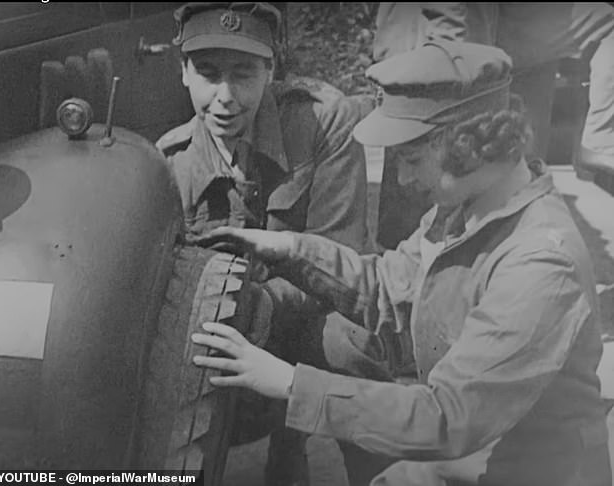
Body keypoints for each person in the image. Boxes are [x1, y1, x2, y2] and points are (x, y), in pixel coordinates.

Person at [190, 40, 612, 485]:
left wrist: (291, 384)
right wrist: (290, 248)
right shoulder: (465, 211)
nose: (404, 180)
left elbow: (448, 418)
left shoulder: (540, 264)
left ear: (469, 145)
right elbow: (386, 288)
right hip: (473, 453)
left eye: (410, 159)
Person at [155, 3, 370, 485]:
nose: (225, 97)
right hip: (221, 334)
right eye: (208, 74)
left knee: (360, 343)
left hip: (308, 314)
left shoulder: (323, 124)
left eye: (244, 74)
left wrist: (266, 304)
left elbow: (342, 256)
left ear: (271, 68)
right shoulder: (170, 164)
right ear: (183, 71)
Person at [373, 2, 614, 249]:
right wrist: (451, 73)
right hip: (439, 62)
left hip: (453, 54)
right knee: (421, 199)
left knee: (488, 218)